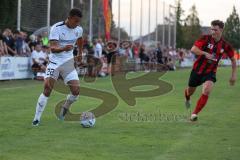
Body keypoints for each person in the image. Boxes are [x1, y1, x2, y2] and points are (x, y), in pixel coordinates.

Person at [32, 8, 83, 126]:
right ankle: (36, 118)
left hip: (68, 64)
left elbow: (80, 40)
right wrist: (64, 48)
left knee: (76, 91)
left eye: (79, 22)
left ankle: (65, 108)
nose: (77, 24)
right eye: (75, 21)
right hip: (55, 63)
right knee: (47, 88)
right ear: (69, 18)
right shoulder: (57, 28)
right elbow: (53, 49)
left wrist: (80, 53)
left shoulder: (78, 29)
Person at [184, 20, 237, 121]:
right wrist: (204, 53)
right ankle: (187, 98)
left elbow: (233, 60)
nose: (212, 32)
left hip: (210, 72)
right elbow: (193, 49)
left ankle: (194, 114)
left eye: (215, 30)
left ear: (221, 30)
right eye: (211, 29)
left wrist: (233, 75)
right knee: (190, 92)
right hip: (197, 70)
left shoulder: (225, 45)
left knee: (207, 90)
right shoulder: (205, 38)